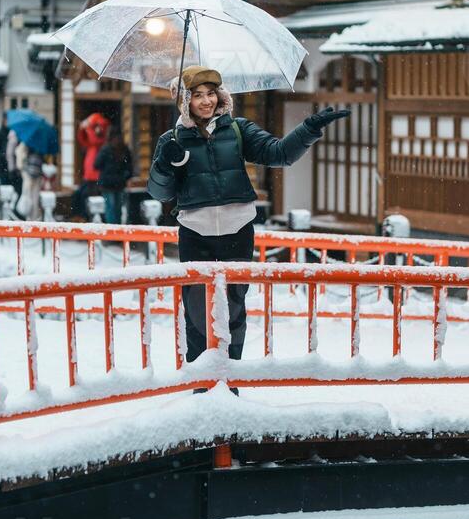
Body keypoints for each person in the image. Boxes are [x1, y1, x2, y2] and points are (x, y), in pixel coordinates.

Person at [148, 65, 349, 389]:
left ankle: (231, 379)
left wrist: (310, 128)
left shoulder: (238, 130)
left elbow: (279, 154)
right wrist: (166, 163)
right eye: (197, 95)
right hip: (195, 233)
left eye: (211, 93)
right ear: (184, 101)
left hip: (237, 230)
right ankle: (201, 382)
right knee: (197, 311)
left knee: (234, 307)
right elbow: (159, 192)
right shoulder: (171, 140)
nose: (206, 101)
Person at [72, 112, 110, 219]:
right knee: (80, 196)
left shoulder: (101, 138)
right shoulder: (91, 144)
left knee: (92, 198)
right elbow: (82, 140)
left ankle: (89, 217)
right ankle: (82, 216)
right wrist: (81, 129)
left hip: (96, 176)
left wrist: (88, 127)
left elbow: (95, 139)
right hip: (88, 176)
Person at [95, 125, 133, 223]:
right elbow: (129, 167)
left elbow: (96, 165)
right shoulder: (124, 149)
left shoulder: (105, 149)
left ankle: (111, 233)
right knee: (118, 209)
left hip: (107, 183)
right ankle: (118, 233)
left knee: (109, 209)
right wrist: (126, 177)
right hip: (120, 183)